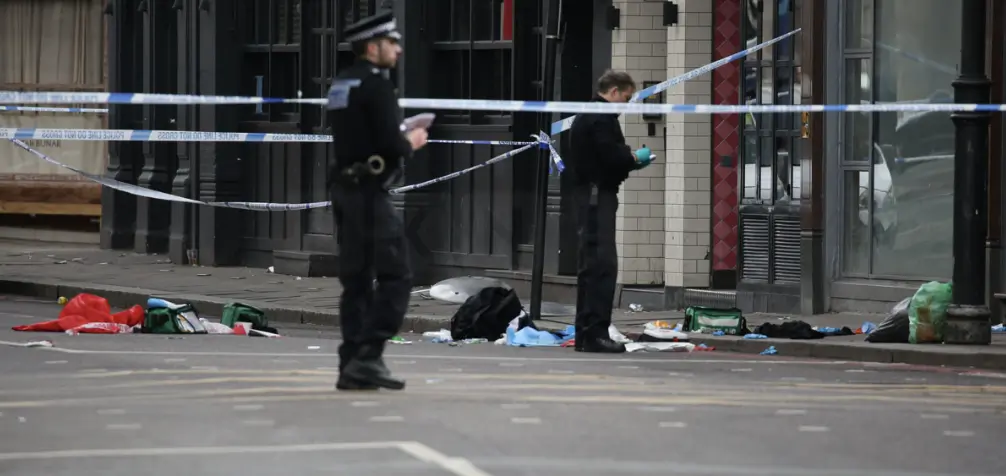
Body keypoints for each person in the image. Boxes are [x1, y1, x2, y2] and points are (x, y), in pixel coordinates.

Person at [326, 10, 428, 390]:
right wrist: (411, 142)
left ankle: (351, 363)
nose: (398, 50)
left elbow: (355, 132)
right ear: (373, 47)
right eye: (392, 43)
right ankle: (369, 354)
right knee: (396, 274)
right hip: (369, 192)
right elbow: (389, 142)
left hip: (344, 189)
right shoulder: (376, 84)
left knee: (356, 279)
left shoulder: (343, 83)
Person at [567, 70, 654, 354]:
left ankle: (586, 334)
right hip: (596, 197)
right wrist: (632, 158)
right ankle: (595, 334)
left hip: (588, 195)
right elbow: (610, 156)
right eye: (626, 97)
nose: (626, 104)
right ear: (614, 91)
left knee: (590, 266)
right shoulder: (600, 119)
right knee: (601, 266)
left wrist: (626, 160)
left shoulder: (587, 114)